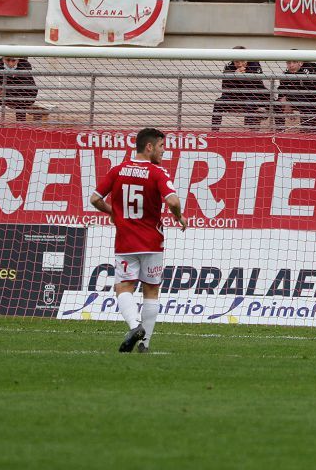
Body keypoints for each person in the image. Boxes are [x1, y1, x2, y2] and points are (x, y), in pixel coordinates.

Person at [89, 128, 187, 354]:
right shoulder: (157, 173)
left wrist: (113, 212)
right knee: (151, 290)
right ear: (149, 147)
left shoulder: (117, 170)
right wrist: (179, 216)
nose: (164, 151)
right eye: (161, 146)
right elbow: (172, 201)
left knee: (124, 287)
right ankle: (145, 344)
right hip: (153, 241)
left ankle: (135, 327)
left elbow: (95, 199)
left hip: (125, 240)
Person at [211, 47, 270, 131]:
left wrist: (243, 77)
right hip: (234, 96)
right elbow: (225, 87)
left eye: (243, 61)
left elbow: (255, 86)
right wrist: (234, 76)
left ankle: (252, 131)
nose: (240, 64)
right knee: (218, 103)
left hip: (254, 95)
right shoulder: (229, 67)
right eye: (237, 61)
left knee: (250, 103)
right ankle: (214, 131)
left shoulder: (254, 64)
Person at [0, 57, 38, 124]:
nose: (10, 64)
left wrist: (5, 90)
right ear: (3, 59)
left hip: (25, 94)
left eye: (13, 61)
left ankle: (20, 126)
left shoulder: (25, 64)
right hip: (6, 92)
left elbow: (24, 85)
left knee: (20, 100)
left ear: (18, 60)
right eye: (7, 60)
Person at [274, 56, 316, 131]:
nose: (291, 65)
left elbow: (307, 93)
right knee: (277, 105)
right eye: (288, 63)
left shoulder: (308, 71)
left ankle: (308, 131)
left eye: (294, 62)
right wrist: (283, 102)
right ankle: (279, 131)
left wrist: (288, 101)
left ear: (301, 63)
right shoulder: (286, 73)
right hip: (293, 99)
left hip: (308, 100)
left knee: (309, 106)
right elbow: (282, 90)